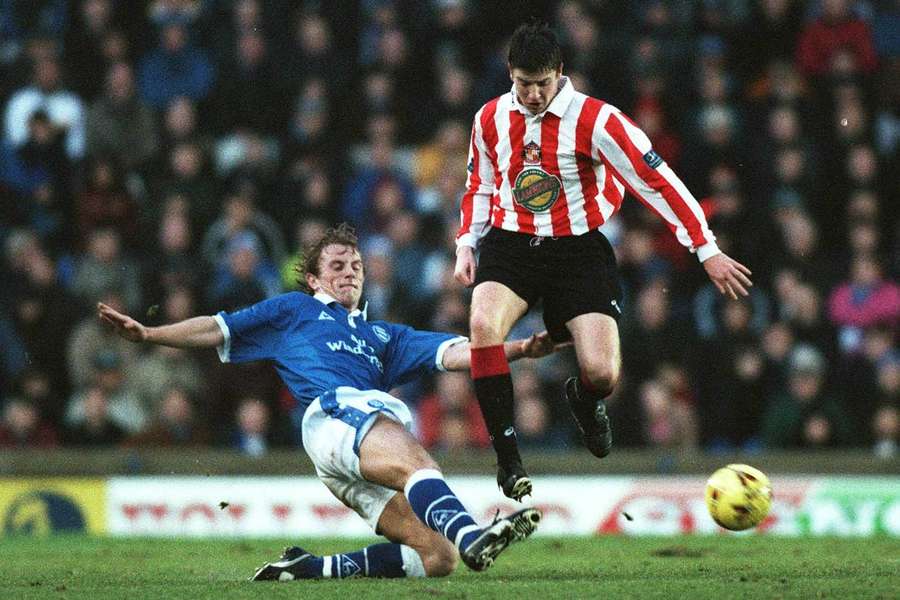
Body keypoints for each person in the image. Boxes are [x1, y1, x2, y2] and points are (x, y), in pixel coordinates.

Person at [97, 223, 555, 580]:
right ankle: (473, 533)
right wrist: (150, 333)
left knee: (436, 557)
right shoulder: (294, 310)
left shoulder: (383, 335)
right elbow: (218, 328)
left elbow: (454, 352)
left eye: (355, 265)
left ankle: (309, 568)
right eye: (337, 265)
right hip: (335, 416)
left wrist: (518, 349)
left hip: (348, 455)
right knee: (416, 459)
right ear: (314, 277)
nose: (349, 271)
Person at [454, 22, 754, 501]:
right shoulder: (488, 119)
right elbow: (480, 185)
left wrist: (706, 248)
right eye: (523, 83)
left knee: (602, 373)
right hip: (512, 244)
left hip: (578, 250)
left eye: (542, 83)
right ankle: (508, 459)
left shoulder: (598, 121)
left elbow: (656, 181)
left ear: (561, 74)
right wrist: (468, 241)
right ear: (510, 74)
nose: (532, 94)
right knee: (483, 326)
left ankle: (585, 398)